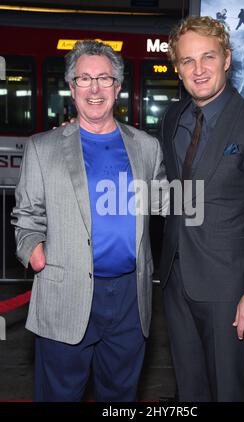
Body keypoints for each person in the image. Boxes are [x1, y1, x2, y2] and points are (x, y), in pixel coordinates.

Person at [11, 40, 168, 402]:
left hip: (130, 297)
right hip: (66, 292)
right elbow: (26, 216)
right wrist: (34, 252)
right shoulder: (42, 147)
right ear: (71, 86)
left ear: (118, 86)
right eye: (84, 79)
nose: (94, 89)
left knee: (121, 398)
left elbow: (165, 204)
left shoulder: (146, 147)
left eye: (104, 79)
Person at [159, 16, 244, 402]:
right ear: (177, 68)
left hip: (230, 289)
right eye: (187, 61)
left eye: (208, 57)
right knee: (189, 391)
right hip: (175, 280)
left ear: (227, 59)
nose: (198, 70)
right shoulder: (170, 120)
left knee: (229, 391)